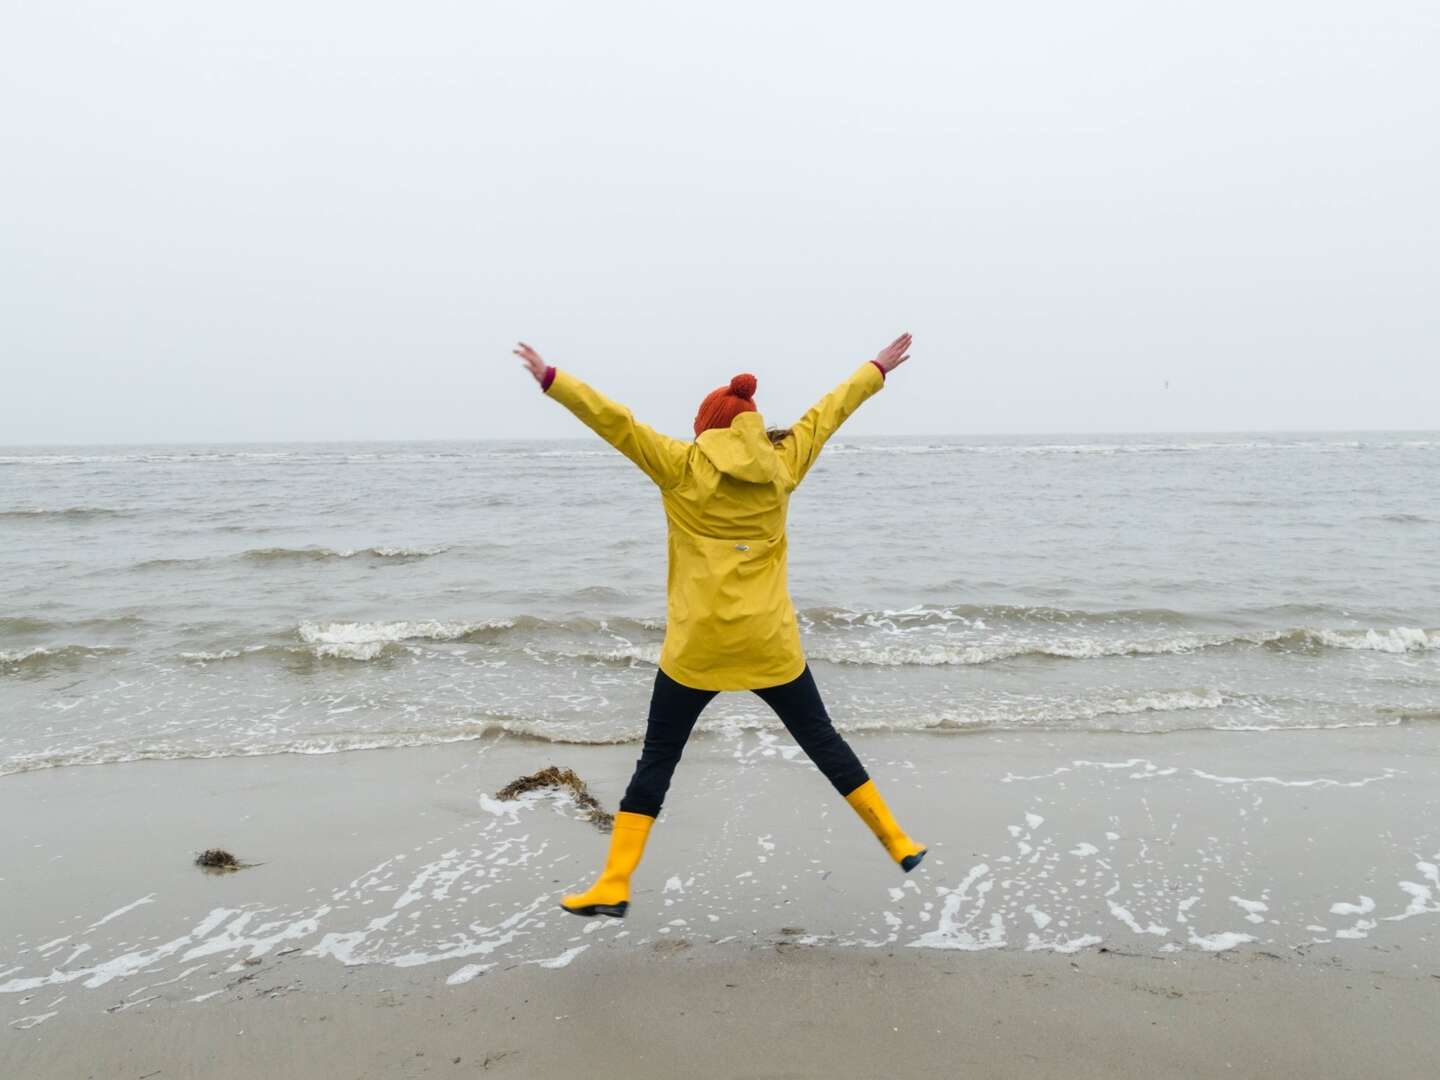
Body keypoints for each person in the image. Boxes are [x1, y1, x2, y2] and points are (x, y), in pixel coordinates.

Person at [515, 334, 926, 918]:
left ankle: (614, 883)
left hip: (697, 650)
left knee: (657, 760)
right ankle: (897, 841)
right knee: (823, 742)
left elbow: (617, 423)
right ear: (753, 429)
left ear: (706, 427)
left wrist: (554, 379)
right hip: (770, 645)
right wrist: (875, 370)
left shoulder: (682, 467)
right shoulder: (783, 465)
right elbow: (829, 412)